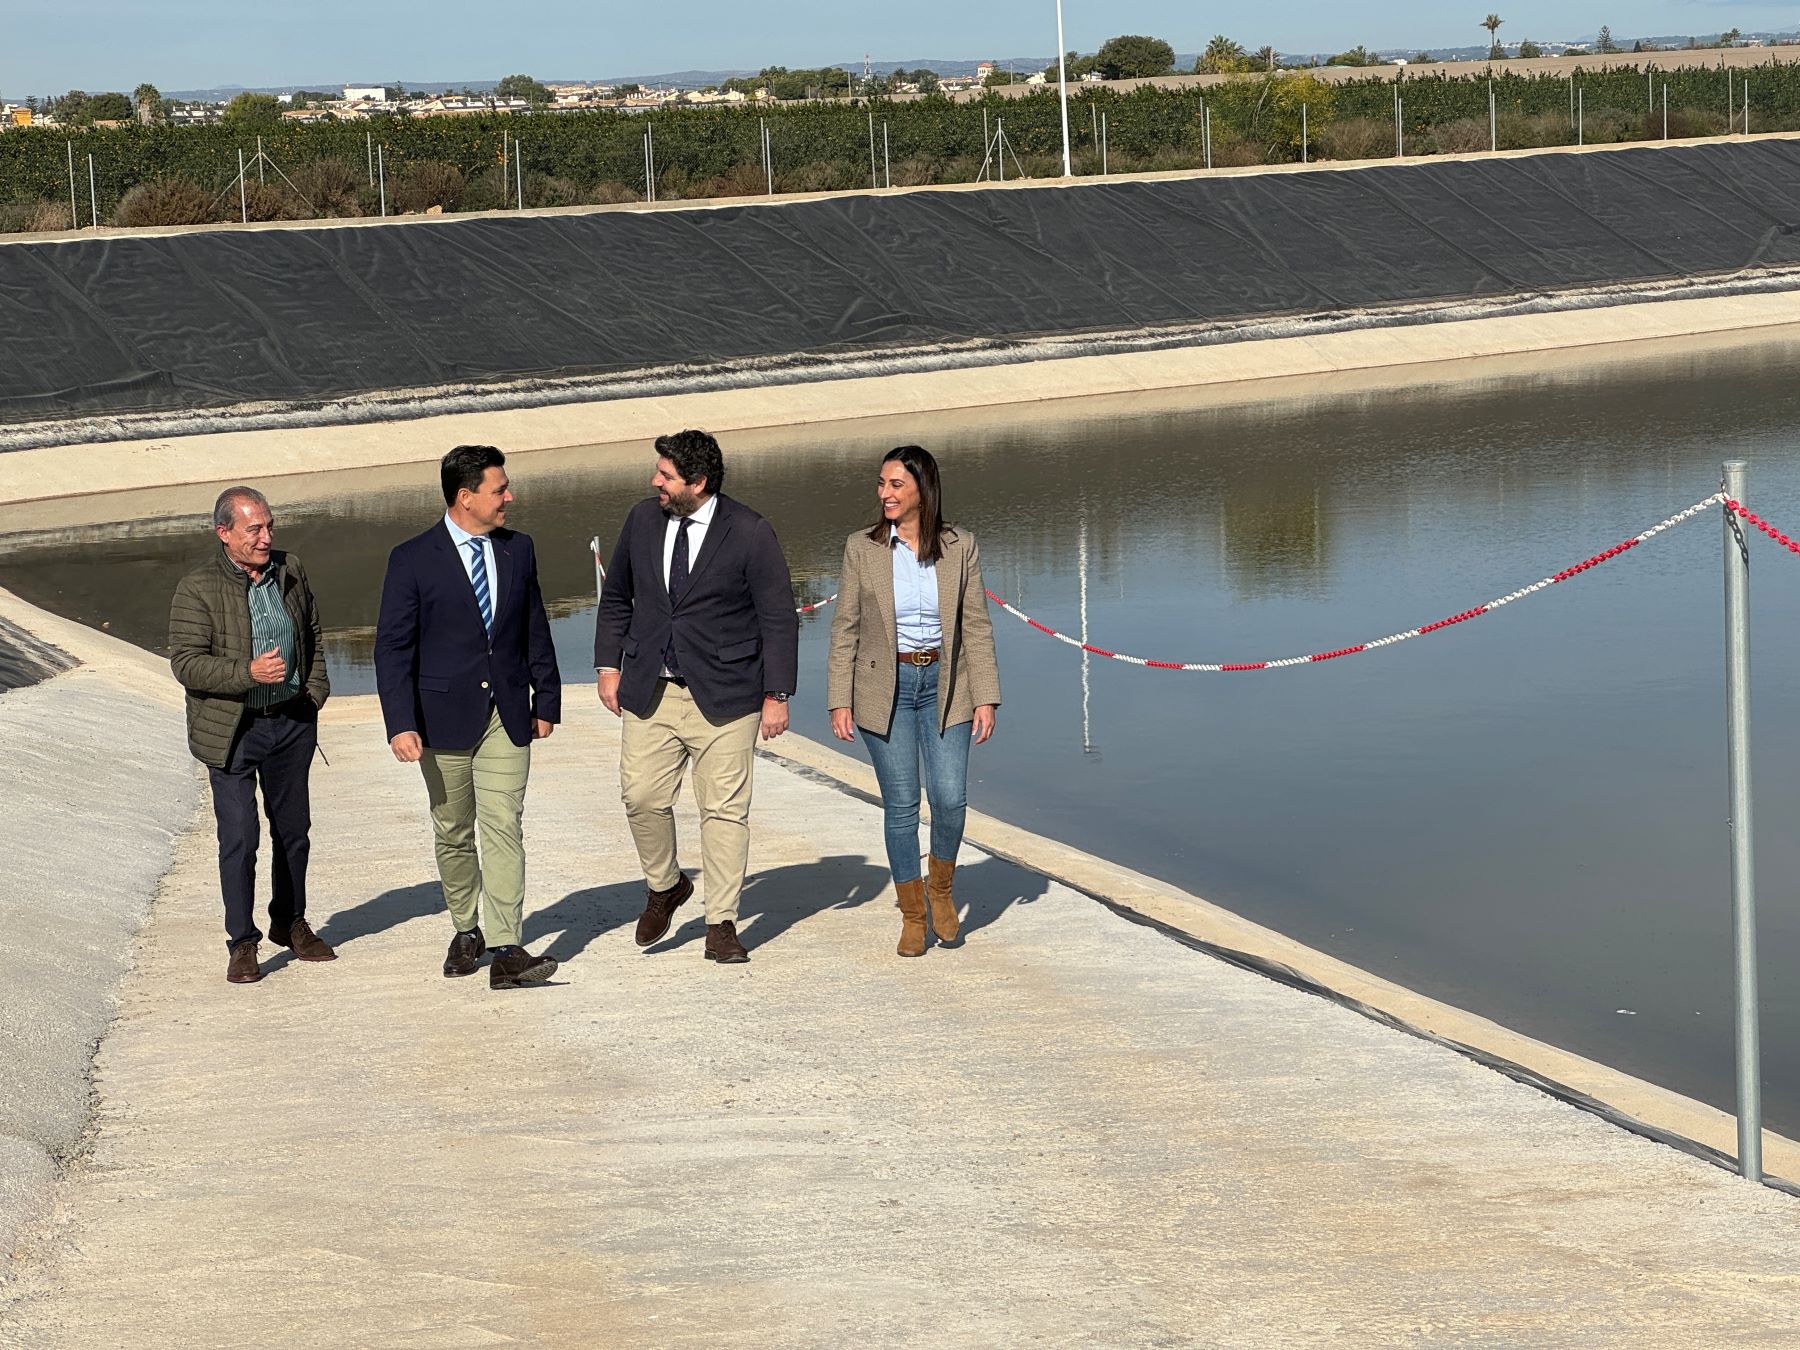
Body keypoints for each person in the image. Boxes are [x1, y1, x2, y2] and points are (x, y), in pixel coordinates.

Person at [594, 429, 799, 965]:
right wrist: (606, 667)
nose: (654, 482)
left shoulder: (751, 532)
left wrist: (777, 694)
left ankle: (721, 923)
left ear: (698, 482)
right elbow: (616, 597)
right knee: (641, 797)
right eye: (657, 472)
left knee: (725, 811)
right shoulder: (641, 520)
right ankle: (665, 886)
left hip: (729, 695)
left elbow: (778, 618)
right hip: (651, 689)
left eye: (665, 475)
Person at [374, 445, 563, 989]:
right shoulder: (411, 558)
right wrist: (400, 721)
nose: (510, 497)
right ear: (465, 497)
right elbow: (392, 648)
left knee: (503, 825)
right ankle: (466, 930)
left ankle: (507, 947)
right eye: (499, 489)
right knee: (454, 830)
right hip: (439, 718)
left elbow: (535, 627)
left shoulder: (518, 549)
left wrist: (544, 699)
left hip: (507, 712)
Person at [826, 446, 1001, 957]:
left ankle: (941, 886)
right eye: (881, 484)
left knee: (948, 798)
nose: (885, 494)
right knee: (901, 805)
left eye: (896, 485)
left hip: (948, 687)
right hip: (885, 688)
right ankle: (913, 914)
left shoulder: (960, 545)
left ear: (923, 488)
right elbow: (845, 630)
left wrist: (987, 696)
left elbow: (977, 627)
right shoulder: (862, 548)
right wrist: (840, 699)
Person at [169, 486, 335, 985]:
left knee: (293, 832)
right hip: (233, 731)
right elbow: (186, 664)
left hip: (291, 723)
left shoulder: (291, 569)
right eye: (254, 530)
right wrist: (248, 673)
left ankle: (290, 922)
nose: (266, 538)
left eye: (269, 526)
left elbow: (312, 634)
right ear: (224, 534)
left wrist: (315, 692)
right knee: (240, 839)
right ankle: (242, 942)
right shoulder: (196, 587)